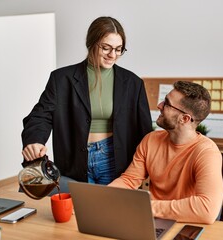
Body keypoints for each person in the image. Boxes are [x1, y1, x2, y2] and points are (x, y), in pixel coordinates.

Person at [21, 16, 152, 193]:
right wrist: (34, 140)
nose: (112, 55)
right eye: (106, 48)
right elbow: (41, 115)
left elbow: (144, 131)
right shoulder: (61, 79)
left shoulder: (133, 83)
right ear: (91, 44)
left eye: (119, 49)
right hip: (75, 158)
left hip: (114, 159)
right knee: (73, 216)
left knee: (107, 215)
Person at [109, 81, 223, 224]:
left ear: (185, 119)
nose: (159, 106)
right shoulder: (151, 140)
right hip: (154, 221)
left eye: (167, 104)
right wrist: (105, 198)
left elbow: (207, 210)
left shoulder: (207, 153)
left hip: (187, 224)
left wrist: (145, 207)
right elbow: (128, 180)